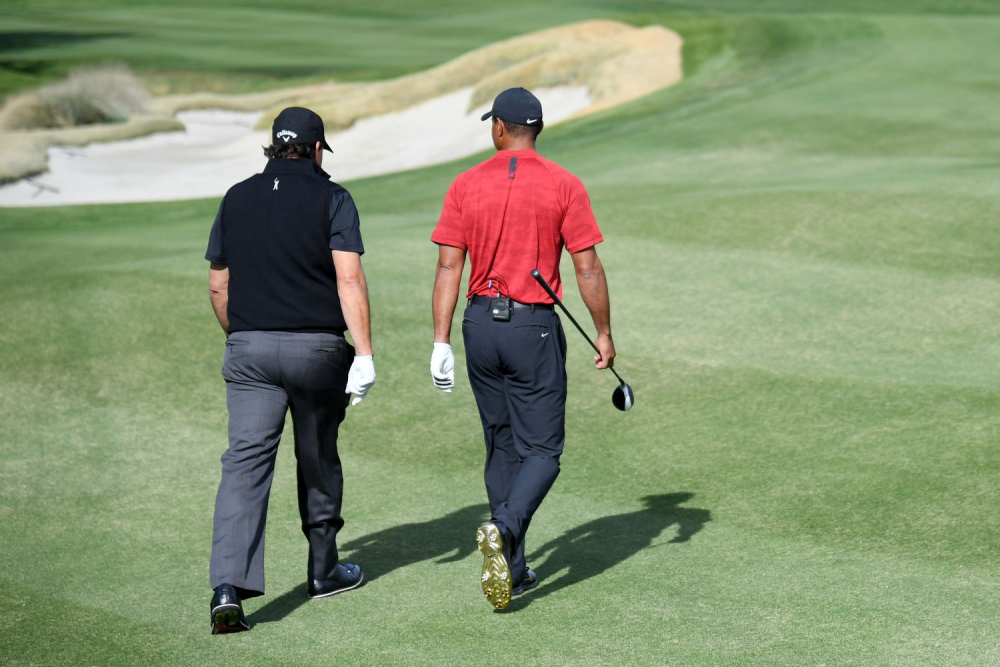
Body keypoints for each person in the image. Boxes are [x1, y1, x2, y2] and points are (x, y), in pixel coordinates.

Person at [429, 87, 616, 610]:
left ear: (499, 128)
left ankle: (511, 567)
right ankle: (505, 530)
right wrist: (603, 332)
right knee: (543, 452)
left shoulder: (466, 183)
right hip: (532, 329)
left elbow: (449, 266)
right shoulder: (564, 183)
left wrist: (440, 341)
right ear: (536, 129)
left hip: (478, 326)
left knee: (502, 444)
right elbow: (588, 267)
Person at [204, 107, 376, 634]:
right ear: (317, 149)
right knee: (317, 454)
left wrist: (243, 336)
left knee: (244, 465)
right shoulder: (334, 198)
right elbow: (349, 281)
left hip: (249, 350)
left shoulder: (237, 197)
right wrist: (365, 354)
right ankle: (323, 572)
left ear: (273, 149)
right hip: (317, 352)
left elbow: (218, 285)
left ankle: (228, 587)